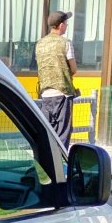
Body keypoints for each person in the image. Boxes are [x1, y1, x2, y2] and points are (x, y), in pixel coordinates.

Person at [34, 10, 78, 148]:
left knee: (48, 134)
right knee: (63, 134)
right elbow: (74, 69)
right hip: (62, 94)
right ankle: (61, 165)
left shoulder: (40, 43)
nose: (66, 25)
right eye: (66, 23)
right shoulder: (65, 43)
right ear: (60, 25)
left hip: (45, 94)